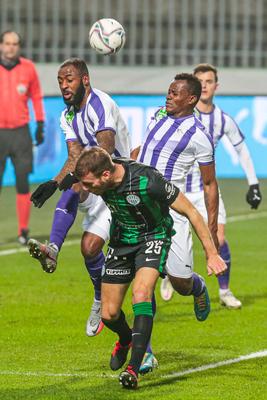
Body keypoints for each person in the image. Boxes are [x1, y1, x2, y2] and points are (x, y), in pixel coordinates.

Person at [74, 147, 227, 389]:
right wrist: (54, 185)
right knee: (109, 314)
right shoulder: (98, 175)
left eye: (89, 184)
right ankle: (125, 338)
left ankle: (133, 368)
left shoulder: (148, 180)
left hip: (153, 237)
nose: (86, 189)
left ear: (105, 175)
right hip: (122, 239)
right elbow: (75, 175)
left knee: (142, 293)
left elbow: (191, 212)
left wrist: (212, 254)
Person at [29, 57, 131, 337]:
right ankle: (53, 251)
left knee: (94, 249)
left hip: (120, 183)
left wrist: (75, 177)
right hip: (96, 182)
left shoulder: (100, 103)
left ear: (85, 79)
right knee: (87, 246)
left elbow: (105, 150)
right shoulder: (68, 115)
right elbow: (75, 156)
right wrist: (54, 181)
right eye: (60, 81)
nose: (64, 85)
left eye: (69, 79)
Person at [160, 64, 262, 308]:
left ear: (216, 86)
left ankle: (224, 291)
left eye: (209, 81)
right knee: (169, 237)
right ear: (194, 88)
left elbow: (242, 150)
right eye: (200, 81)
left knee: (219, 238)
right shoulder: (179, 114)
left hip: (207, 190)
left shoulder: (222, 119)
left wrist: (253, 183)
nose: (205, 85)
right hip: (180, 190)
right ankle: (169, 275)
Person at [137, 73, 220, 319]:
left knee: (180, 283)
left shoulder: (199, 135)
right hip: (139, 206)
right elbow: (144, 149)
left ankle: (198, 287)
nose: (168, 96)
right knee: (142, 282)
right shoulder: (158, 116)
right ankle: (145, 351)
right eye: (169, 91)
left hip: (173, 209)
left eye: (175, 93)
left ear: (191, 99)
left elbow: (209, 183)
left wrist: (212, 228)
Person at [0, 30, 45, 244]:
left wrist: (40, 123)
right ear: (1, 45)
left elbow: (36, 95)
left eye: (15, 43)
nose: (11, 47)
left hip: (20, 133)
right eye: (7, 43)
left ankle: (23, 231)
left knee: (22, 182)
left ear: (19, 46)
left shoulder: (28, 68)